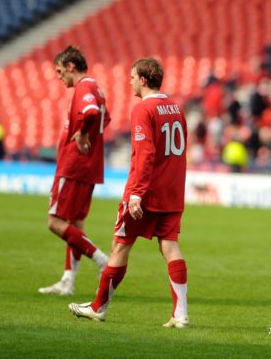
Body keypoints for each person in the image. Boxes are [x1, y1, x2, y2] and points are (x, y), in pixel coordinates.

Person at [69, 58, 189, 328]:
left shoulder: (144, 110)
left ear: (144, 80)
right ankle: (180, 314)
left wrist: (136, 194)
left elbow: (145, 155)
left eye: (133, 76)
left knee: (120, 246)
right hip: (171, 194)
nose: (130, 81)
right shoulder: (176, 109)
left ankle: (98, 307)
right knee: (170, 247)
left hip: (145, 195)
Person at [39, 46, 110, 296]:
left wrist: (80, 133)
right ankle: (68, 281)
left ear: (71, 66)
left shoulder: (84, 87)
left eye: (60, 71)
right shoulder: (97, 88)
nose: (59, 77)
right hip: (89, 167)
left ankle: (103, 261)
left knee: (54, 222)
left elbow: (91, 112)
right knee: (76, 225)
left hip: (73, 165)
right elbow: (105, 118)